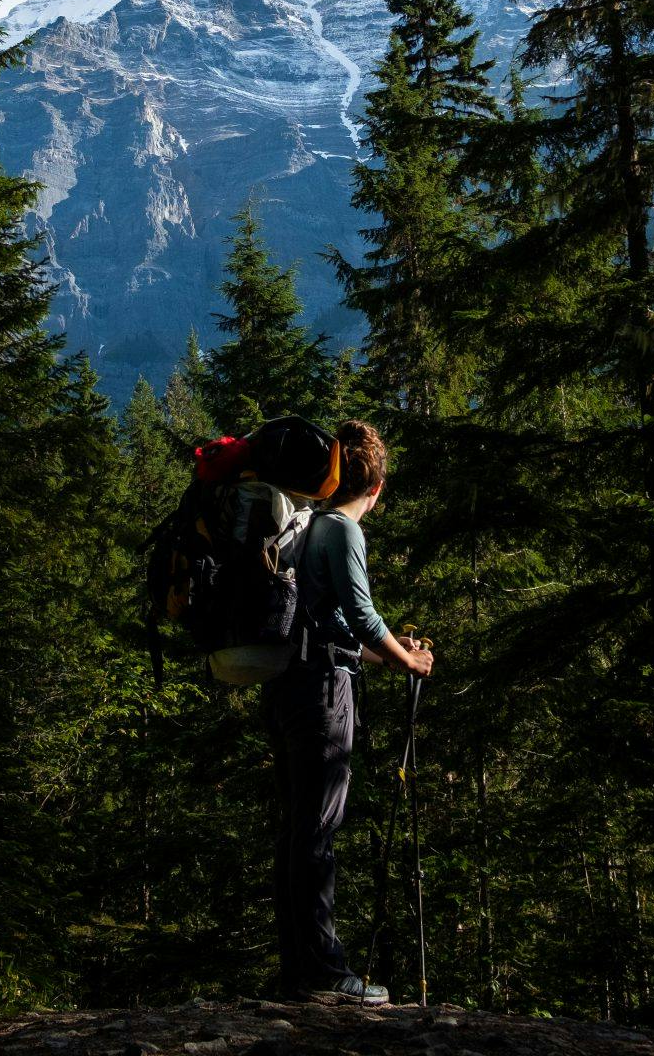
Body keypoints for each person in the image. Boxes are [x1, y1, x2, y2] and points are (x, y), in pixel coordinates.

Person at [262, 419, 434, 1004]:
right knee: (316, 831)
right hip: (322, 692)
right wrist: (407, 661)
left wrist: (385, 656)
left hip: (287, 683)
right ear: (377, 487)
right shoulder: (343, 531)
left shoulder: (309, 526)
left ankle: (298, 968)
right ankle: (326, 975)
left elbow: (333, 620)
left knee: (294, 828)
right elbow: (361, 614)